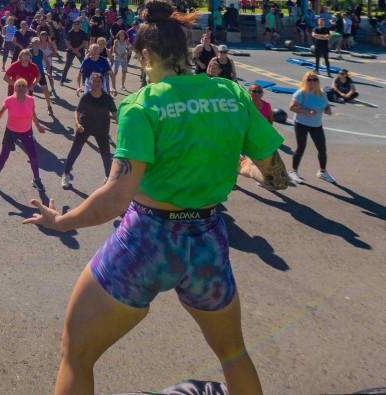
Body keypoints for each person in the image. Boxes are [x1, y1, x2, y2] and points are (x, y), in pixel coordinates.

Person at [24, 3, 287, 393]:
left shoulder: (143, 104)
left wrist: (61, 221)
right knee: (233, 353)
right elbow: (277, 178)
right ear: (187, 50)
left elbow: (115, 199)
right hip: (208, 242)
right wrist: (246, 169)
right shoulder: (232, 94)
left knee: (77, 354)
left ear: (146, 55)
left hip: (148, 240)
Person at [0, 78, 46, 192]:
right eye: (18, 86)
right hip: (11, 132)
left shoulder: (30, 100)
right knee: (3, 157)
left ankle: (36, 179)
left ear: (27, 88)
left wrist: (38, 126)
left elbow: (33, 114)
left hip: (27, 132)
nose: (21, 88)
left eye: (23, 86)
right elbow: (0, 113)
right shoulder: (9, 100)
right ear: (14, 88)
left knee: (33, 156)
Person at [62, 72, 116, 189]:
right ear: (89, 82)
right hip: (85, 127)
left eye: (98, 81)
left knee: (106, 154)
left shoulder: (107, 98)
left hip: (101, 129)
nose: (96, 83)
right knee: (75, 151)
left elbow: (115, 114)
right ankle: (66, 174)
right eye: (94, 80)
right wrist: (77, 124)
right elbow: (77, 112)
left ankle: (108, 177)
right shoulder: (86, 97)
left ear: (102, 83)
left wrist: (123, 126)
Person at [289, 71, 334, 184]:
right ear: (305, 81)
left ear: (318, 81)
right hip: (301, 124)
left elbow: (326, 105)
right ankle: (293, 171)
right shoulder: (301, 93)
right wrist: (307, 112)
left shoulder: (322, 94)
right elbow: (292, 108)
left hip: (316, 125)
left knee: (322, 149)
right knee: (301, 147)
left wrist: (328, 109)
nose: (312, 82)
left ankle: (322, 172)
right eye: (309, 80)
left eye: (315, 79)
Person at [28, 37, 53, 115]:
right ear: (32, 44)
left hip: (40, 73)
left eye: (38, 42)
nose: (36, 44)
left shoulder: (42, 53)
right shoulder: (28, 52)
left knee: (45, 89)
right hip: (31, 74)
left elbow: (47, 63)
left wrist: (48, 72)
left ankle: (49, 106)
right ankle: (29, 108)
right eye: (35, 42)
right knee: (29, 91)